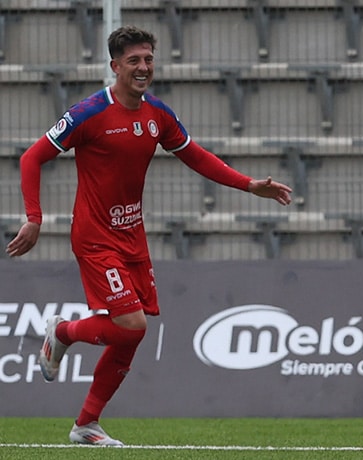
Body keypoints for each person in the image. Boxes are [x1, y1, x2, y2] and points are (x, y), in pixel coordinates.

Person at [4, 25, 292, 446]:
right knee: (132, 325)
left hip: (132, 237)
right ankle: (62, 333)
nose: (143, 68)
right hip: (95, 237)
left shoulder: (157, 114)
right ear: (115, 66)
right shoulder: (87, 113)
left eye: (148, 60)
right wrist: (34, 217)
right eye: (134, 61)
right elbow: (32, 157)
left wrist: (249, 185)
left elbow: (196, 157)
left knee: (130, 336)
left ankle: (86, 424)